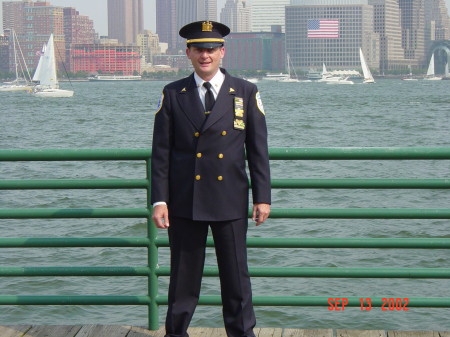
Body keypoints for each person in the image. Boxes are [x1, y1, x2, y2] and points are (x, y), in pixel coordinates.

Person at [151, 20, 271, 337]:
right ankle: (176, 333)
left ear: (222, 52)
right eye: (199, 49)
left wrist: (262, 197)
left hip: (229, 197)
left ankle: (242, 333)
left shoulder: (245, 91)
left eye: (212, 49)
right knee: (184, 276)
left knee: (236, 276)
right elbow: (161, 152)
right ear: (188, 52)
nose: (206, 55)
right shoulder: (173, 93)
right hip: (185, 199)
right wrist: (159, 200)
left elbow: (258, 150)